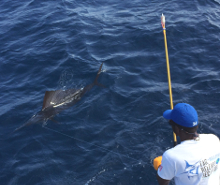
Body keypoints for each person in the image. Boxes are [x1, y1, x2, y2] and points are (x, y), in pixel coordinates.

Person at [153, 103, 220, 185]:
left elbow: (163, 182)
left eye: (171, 123)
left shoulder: (171, 156)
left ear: (177, 129)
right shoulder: (213, 139)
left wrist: (161, 166)